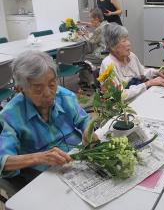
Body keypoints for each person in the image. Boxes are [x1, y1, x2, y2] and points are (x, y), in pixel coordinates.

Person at [0, 51, 96, 195]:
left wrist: (88, 131)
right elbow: (3, 160)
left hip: (77, 158)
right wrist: (39, 157)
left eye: (52, 84)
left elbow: (84, 120)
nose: (48, 93)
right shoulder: (10, 115)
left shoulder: (64, 96)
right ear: (21, 89)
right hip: (43, 174)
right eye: (38, 89)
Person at [100, 23, 164, 100]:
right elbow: (119, 95)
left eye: (127, 39)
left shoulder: (131, 56)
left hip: (142, 97)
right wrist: (148, 83)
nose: (129, 43)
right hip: (127, 106)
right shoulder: (107, 65)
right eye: (124, 41)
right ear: (113, 46)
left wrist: (156, 72)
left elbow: (141, 72)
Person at [78, 8, 109, 87]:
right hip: (109, 52)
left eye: (91, 18)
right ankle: (87, 79)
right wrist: (83, 24)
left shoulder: (99, 29)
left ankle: (86, 82)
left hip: (101, 54)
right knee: (87, 55)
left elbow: (91, 41)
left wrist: (83, 34)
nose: (90, 20)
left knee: (83, 58)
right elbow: (96, 35)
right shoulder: (106, 24)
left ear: (97, 18)